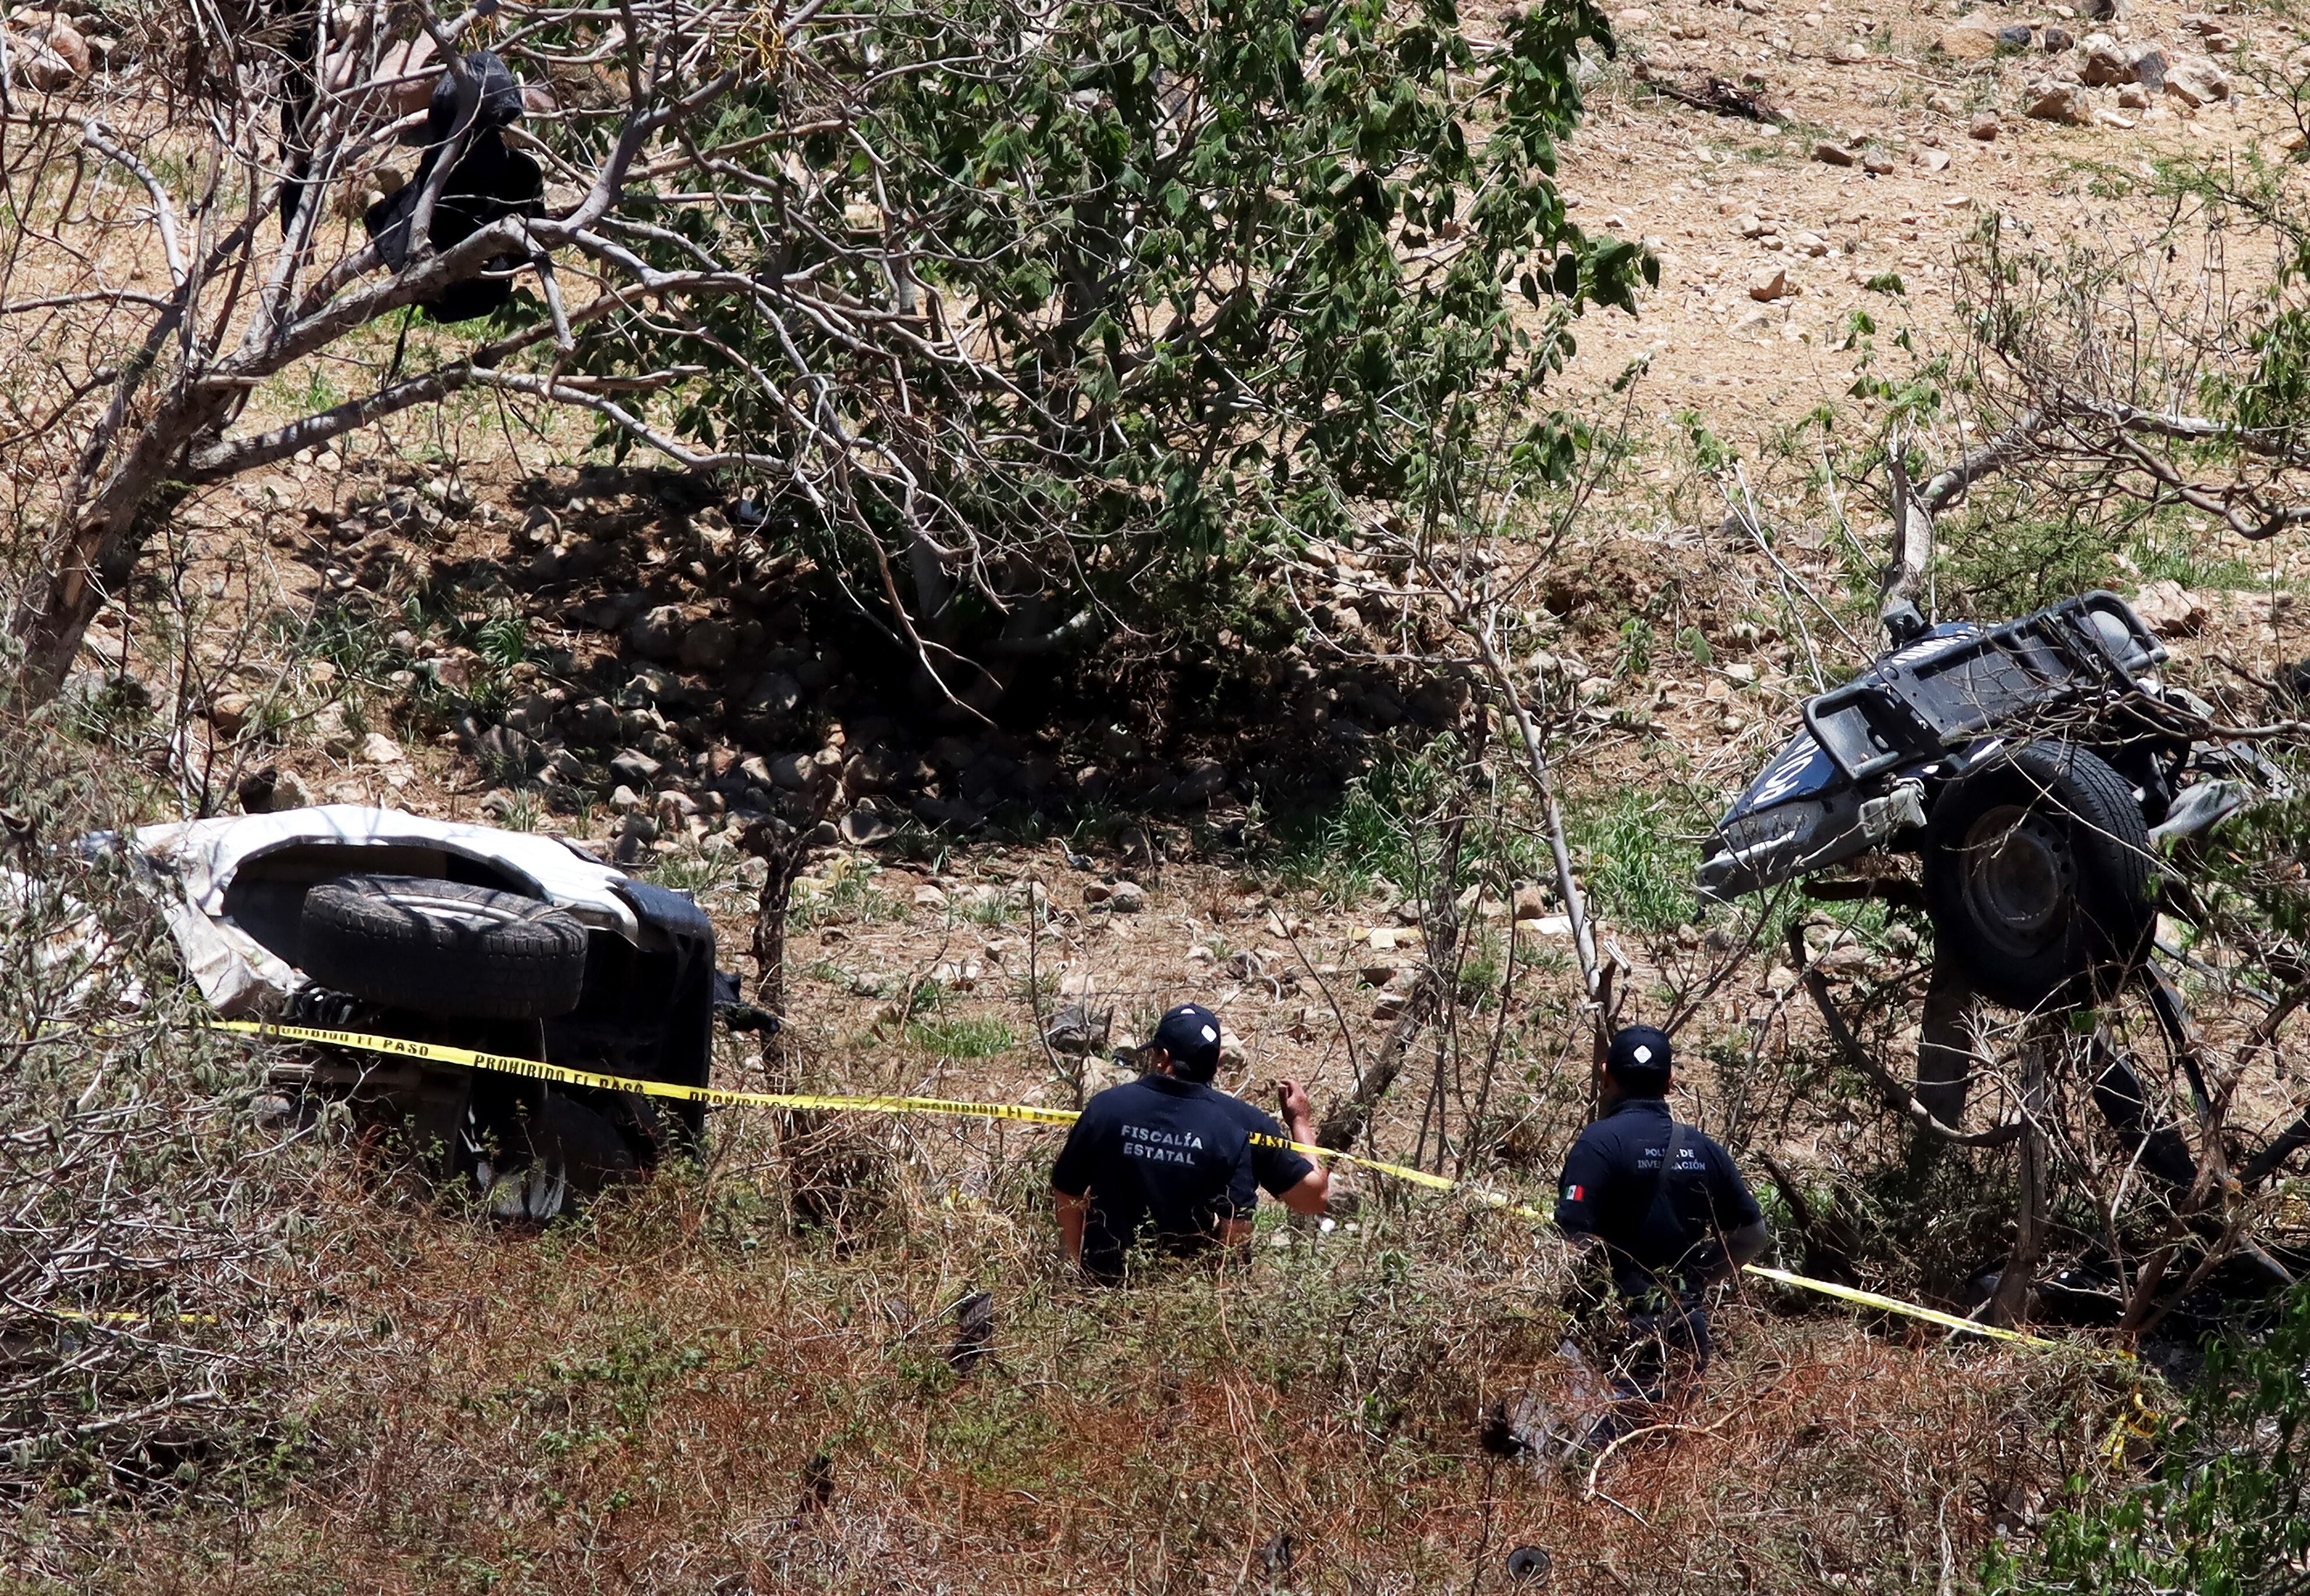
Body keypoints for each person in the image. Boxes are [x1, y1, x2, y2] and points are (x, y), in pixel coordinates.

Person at [1553, 1024, 1768, 1439]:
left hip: (1614, 1333)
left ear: (1605, 1075)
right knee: (1659, 1452)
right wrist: (1698, 1278)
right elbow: (1753, 1234)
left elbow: (1570, 1239)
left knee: (1592, 1455)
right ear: (1669, 1082)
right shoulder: (1703, 1148)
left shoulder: (1598, 1143)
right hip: (1683, 1333)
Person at [1052, 1003, 1330, 1279]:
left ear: (1162, 1057)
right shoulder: (1244, 1124)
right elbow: (1313, 1198)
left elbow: (1067, 1189)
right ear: (1217, 1062)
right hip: (1189, 1294)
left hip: (1104, 1290)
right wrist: (1300, 1121)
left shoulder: (1106, 1107)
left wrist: (1075, 1267)